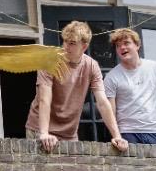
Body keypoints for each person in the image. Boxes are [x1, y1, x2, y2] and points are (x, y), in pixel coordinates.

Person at [25, 20, 128, 153]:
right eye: (65, 41)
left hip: (69, 134)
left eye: (72, 43)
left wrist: (117, 136)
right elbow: (44, 99)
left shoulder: (91, 66)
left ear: (84, 46)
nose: (66, 46)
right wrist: (44, 133)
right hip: (40, 128)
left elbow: (102, 102)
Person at [102, 27, 156, 145]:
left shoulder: (155, 67)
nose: (122, 47)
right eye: (118, 45)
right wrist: (117, 136)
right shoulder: (111, 77)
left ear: (137, 45)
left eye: (126, 43)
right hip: (128, 132)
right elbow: (110, 113)